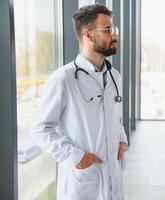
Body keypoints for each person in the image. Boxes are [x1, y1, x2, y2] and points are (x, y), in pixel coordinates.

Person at [32, 4, 128, 200]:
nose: (115, 35)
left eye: (113, 29)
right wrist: (75, 156)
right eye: (108, 30)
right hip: (82, 183)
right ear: (89, 35)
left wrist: (121, 138)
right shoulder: (64, 79)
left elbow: (114, 116)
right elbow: (40, 129)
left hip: (112, 178)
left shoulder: (114, 77)